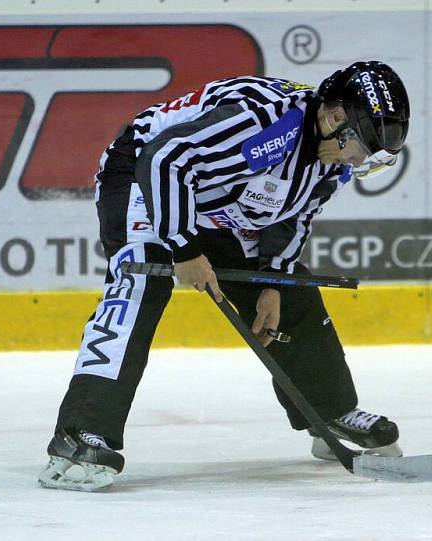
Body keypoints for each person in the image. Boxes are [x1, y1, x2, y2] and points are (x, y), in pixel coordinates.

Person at [37, 61, 411, 491]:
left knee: (292, 292)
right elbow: (166, 159)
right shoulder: (266, 124)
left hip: (210, 195)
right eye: (361, 148)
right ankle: (79, 435)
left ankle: (326, 410)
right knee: (141, 282)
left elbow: (292, 216)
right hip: (142, 174)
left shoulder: (330, 158)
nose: (359, 161)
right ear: (335, 118)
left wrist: (272, 282)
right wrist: (184, 247)